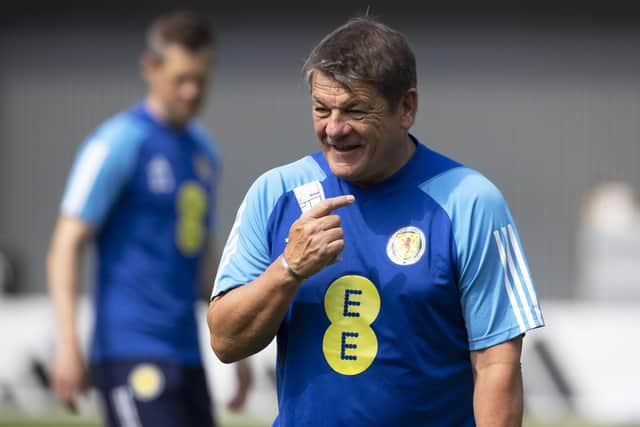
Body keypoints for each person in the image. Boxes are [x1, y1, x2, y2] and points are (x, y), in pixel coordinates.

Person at [207, 16, 544, 426]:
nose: (334, 128)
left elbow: (496, 365)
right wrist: (288, 269)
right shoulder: (277, 192)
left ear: (406, 108)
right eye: (321, 109)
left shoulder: (470, 202)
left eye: (354, 110)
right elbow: (225, 340)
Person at [47, 11, 251, 427]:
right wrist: (68, 344)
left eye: (201, 78)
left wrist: (238, 345)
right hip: (130, 349)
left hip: (187, 353)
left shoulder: (204, 153)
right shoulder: (118, 143)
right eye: (181, 79)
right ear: (150, 68)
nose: (192, 91)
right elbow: (65, 245)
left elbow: (202, 253)